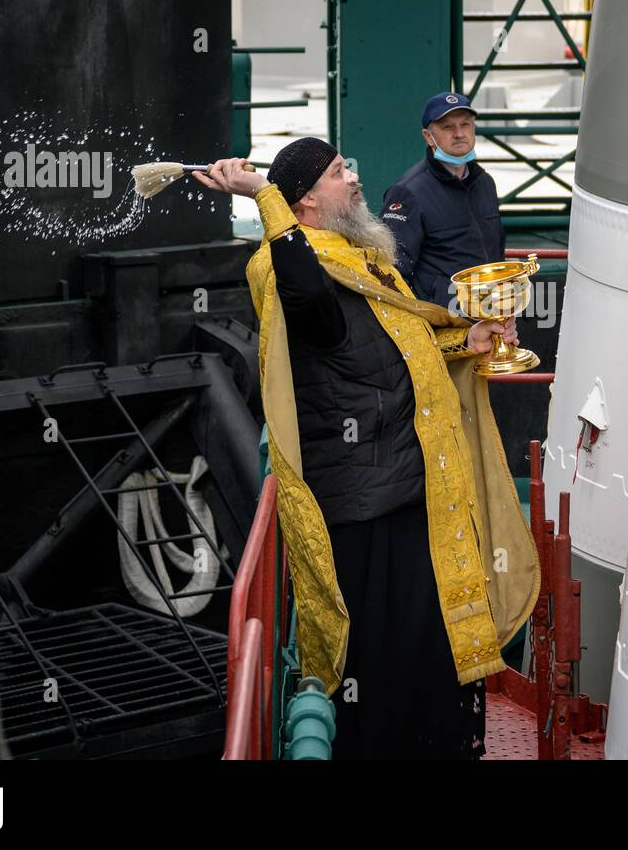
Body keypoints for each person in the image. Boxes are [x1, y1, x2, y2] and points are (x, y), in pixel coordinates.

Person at [193, 141, 538, 759]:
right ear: (304, 199)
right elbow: (306, 300)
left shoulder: (357, 260)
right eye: (335, 173)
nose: (353, 180)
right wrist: (260, 196)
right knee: (378, 667)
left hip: (405, 486)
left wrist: (471, 340)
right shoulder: (289, 266)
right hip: (360, 502)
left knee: (424, 648)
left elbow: (394, 349)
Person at [380, 92, 505, 308]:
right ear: (429, 137)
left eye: (465, 125)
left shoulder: (485, 183)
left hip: (489, 312)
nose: (459, 133)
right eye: (447, 127)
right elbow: (392, 272)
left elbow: (495, 250)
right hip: (444, 322)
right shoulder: (408, 192)